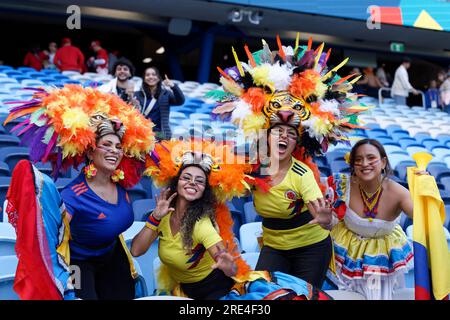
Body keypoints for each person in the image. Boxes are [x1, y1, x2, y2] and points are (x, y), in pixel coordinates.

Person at [211, 36, 367, 288]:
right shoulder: (251, 168)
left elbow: (325, 220)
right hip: (274, 246)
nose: (283, 135)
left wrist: (327, 219)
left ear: (297, 143)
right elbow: (220, 189)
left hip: (311, 247)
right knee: (263, 293)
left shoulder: (303, 173)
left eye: (291, 133)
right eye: (277, 131)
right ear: (266, 136)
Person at [4, 85, 156, 300]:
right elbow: (52, 243)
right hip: (80, 264)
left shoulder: (122, 187)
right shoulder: (73, 196)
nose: (114, 151)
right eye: (106, 145)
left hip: (114, 257)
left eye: (118, 146)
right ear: (91, 151)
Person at [131, 139, 332, 300]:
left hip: (217, 294)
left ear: (204, 191)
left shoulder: (202, 225)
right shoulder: (163, 216)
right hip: (183, 292)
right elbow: (136, 250)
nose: (192, 183)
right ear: (176, 183)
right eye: (186, 178)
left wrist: (228, 264)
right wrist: (155, 218)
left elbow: (231, 268)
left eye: (200, 180)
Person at [325, 139, 422, 300]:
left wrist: (424, 188)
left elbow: (422, 217)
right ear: (353, 164)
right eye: (358, 159)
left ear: (383, 162)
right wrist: (326, 221)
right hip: (344, 256)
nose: (364, 163)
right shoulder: (340, 185)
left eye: (371, 158)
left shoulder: (398, 192)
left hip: (381, 259)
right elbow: (328, 220)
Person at [133, 67, 185, 139]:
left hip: (160, 133)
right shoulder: (137, 94)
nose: (151, 77)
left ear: (158, 78)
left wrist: (173, 86)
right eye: (147, 75)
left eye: (154, 74)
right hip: (142, 133)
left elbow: (180, 101)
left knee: (159, 147)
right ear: (144, 79)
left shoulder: (166, 94)